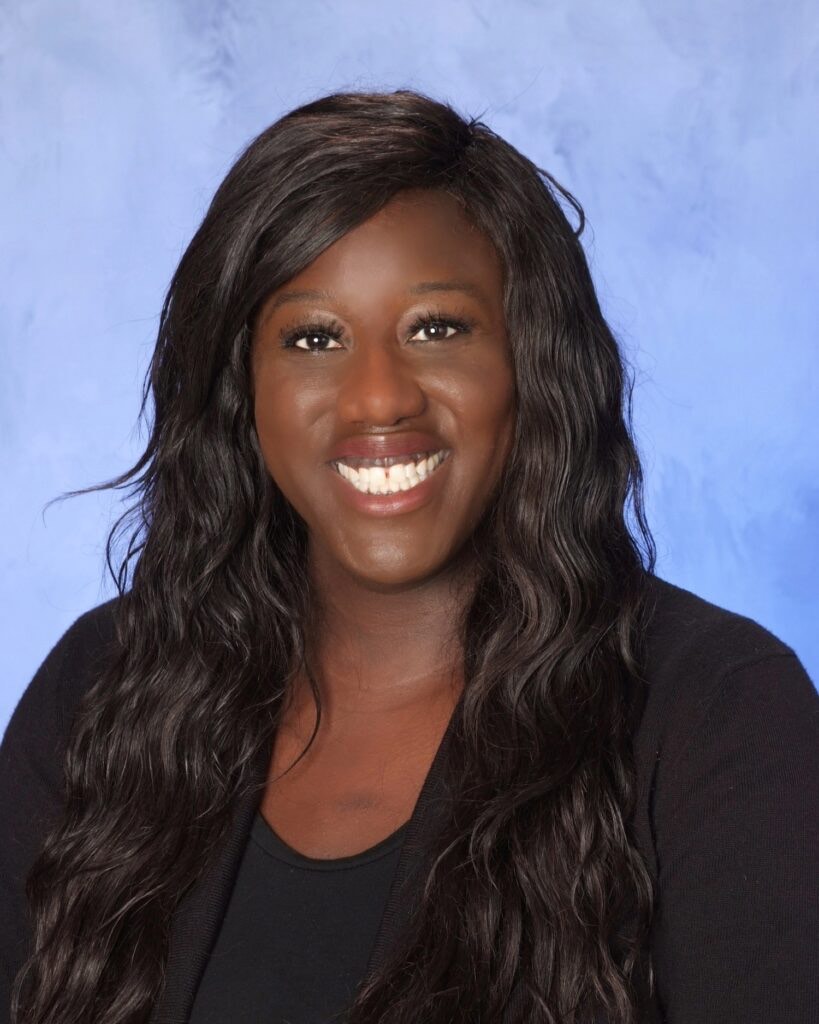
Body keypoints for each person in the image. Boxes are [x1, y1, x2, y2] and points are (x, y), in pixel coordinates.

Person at [1, 88, 817, 1024]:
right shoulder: (102, 686)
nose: (378, 398)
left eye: (437, 328)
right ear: (242, 389)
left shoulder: (718, 709)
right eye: (314, 338)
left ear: (532, 359)